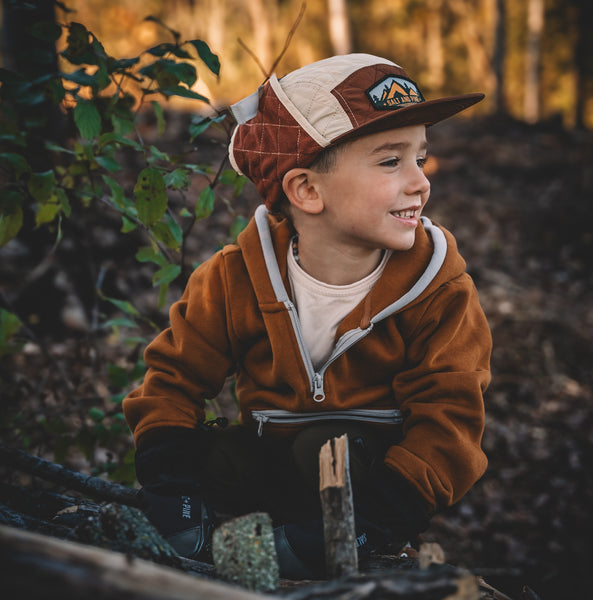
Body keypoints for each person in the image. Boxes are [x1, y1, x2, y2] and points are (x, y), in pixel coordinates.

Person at [123, 53, 492, 579]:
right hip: (265, 474)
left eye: (421, 157)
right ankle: (220, 547)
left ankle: (336, 555)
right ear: (306, 191)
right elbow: (172, 377)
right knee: (209, 457)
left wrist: (379, 520)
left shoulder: (438, 290)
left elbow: (451, 422)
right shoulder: (235, 279)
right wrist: (169, 489)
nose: (420, 182)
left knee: (320, 447)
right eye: (392, 162)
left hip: (369, 489)